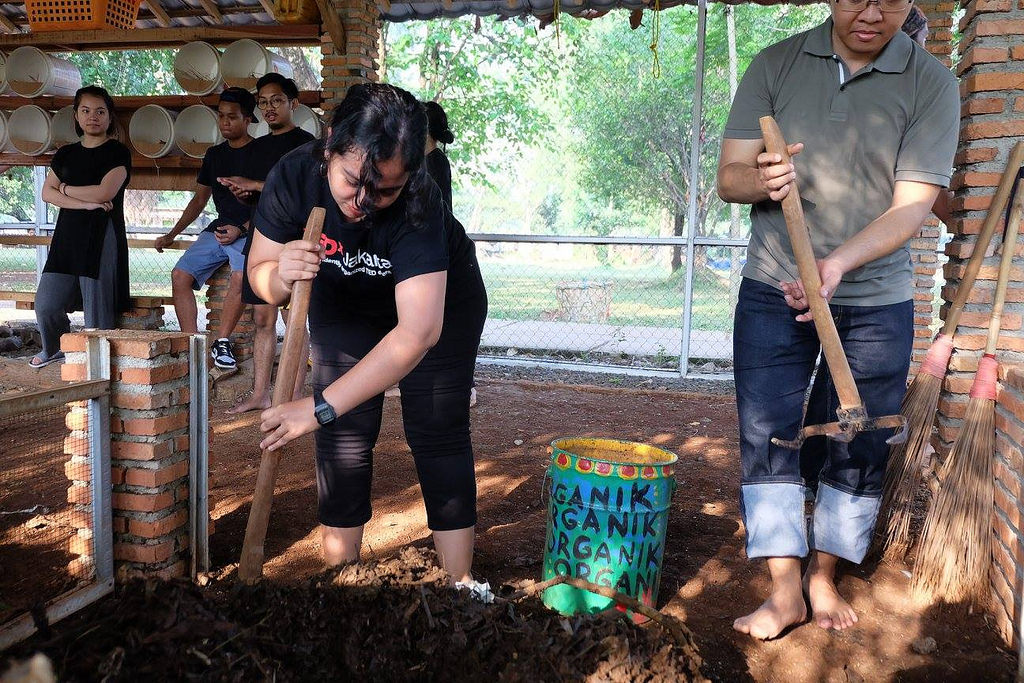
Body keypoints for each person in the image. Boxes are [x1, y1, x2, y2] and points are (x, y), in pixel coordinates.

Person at [716, 0, 958, 640]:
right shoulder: (777, 63)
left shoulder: (932, 82)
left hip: (876, 297)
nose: (872, 11)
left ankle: (823, 574)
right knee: (766, 432)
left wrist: (838, 264)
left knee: (856, 440)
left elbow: (913, 208)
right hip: (774, 285)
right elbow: (728, 177)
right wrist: (763, 178)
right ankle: (785, 588)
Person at [248, 83, 488, 591]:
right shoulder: (293, 175)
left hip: (440, 306)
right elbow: (259, 280)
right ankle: (341, 583)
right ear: (330, 143)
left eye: (383, 190)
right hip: (345, 299)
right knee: (344, 432)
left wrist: (313, 407)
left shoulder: (420, 197)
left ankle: (462, 588)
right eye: (353, 181)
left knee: (437, 427)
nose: (364, 202)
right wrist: (281, 273)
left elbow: (418, 331)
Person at [218, 73, 315, 413]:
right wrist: (244, 193)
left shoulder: (307, 146)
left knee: (294, 320)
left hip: (295, 242)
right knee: (262, 319)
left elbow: (303, 196)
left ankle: (293, 393)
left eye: (277, 101)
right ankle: (260, 393)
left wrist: (255, 185)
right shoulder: (255, 147)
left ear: (294, 104)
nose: (270, 108)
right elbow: (258, 199)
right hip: (260, 239)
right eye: (263, 102)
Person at [154, 87, 257, 370]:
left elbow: (271, 202)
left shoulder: (261, 153)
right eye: (221, 116)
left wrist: (242, 229)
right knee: (180, 274)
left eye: (233, 117)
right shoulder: (214, 155)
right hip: (219, 229)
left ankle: (221, 342)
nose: (225, 122)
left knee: (240, 277)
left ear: (248, 119)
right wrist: (172, 235)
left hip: (253, 231)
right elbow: (199, 200)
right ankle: (193, 344)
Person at [31, 86, 131, 368]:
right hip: (67, 235)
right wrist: (84, 203)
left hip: (102, 236)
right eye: (85, 111)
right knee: (47, 304)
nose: (93, 117)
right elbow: (46, 194)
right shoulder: (65, 154)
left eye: (100, 111)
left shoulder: (117, 152)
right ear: (76, 116)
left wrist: (64, 189)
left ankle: (98, 367)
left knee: (98, 312)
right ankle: (56, 348)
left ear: (110, 118)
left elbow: (104, 193)